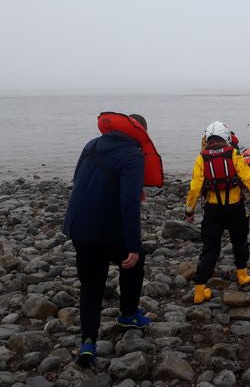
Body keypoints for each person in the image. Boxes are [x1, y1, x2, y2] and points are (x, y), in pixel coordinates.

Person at [63, 113, 154, 367]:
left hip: (78, 226)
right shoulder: (133, 155)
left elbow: (78, 180)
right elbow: (128, 204)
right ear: (140, 133)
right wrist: (133, 245)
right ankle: (127, 314)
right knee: (135, 260)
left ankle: (88, 343)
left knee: (91, 285)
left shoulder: (91, 145)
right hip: (107, 229)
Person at [185, 121, 250, 304]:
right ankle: (242, 276)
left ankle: (199, 290)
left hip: (212, 210)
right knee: (239, 241)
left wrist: (189, 210)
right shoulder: (234, 154)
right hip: (235, 209)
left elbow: (195, 187)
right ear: (227, 138)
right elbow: (247, 177)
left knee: (210, 249)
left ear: (208, 138)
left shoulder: (202, 158)